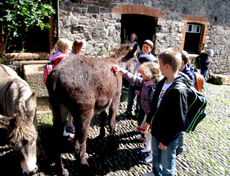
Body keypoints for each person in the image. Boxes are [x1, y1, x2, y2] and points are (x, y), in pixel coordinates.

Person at [143, 48, 193, 176]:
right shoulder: (162, 82)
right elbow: (154, 105)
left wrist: (165, 140)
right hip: (157, 130)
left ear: (167, 66)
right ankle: (156, 173)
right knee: (156, 155)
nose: (158, 67)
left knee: (167, 162)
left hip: (168, 137)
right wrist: (148, 121)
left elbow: (179, 121)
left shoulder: (178, 90)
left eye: (159, 64)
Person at [121, 39, 156, 119]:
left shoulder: (152, 59)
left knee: (140, 98)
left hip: (143, 81)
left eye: (147, 47)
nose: (145, 49)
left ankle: (138, 112)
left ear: (151, 49)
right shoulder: (138, 55)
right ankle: (128, 111)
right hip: (134, 78)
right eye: (144, 47)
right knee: (130, 96)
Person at [49, 38, 73, 138]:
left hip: (53, 86)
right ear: (63, 48)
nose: (70, 51)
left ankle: (57, 128)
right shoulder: (63, 59)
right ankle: (62, 131)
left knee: (57, 109)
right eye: (68, 49)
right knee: (63, 110)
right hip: (61, 87)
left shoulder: (54, 56)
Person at [64, 39, 87, 134]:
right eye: (83, 48)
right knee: (71, 107)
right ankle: (69, 124)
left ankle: (70, 123)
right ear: (78, 48)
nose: (84, 50)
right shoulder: (73, 58)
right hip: (72, 85)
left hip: (75, 84)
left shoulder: (74, 56)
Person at [176, 50, 196, 156]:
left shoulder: (188, 75)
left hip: (183, 105)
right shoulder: (178, 71)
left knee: (180, 127)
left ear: (182, 61)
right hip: (178, 104)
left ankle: (180, 147)